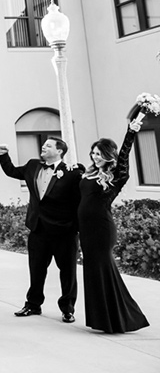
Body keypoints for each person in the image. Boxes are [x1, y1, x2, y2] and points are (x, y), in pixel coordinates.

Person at [0, 137, 83, 323]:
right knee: (36, 269)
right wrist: (4, 155)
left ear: (60, 151)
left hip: (64, 231)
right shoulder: (33, 166)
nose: (43, 147)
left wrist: (76, 228)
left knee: (68, 272)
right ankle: (33, 304)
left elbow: (78, 201)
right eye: (43, 145)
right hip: (38, 229)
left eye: (49, 145)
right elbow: (12, 171)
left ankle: (67, 308)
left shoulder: (71, 172)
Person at [78, 121, 149, 333]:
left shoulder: (115, 176)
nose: (94, 156)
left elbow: (124, 157)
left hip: (101, 229)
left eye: (99, 153)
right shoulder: (88, 174)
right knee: (92, 272)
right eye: (93, 153)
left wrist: (131, 133)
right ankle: (101, 320)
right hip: (86, 230)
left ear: (109, 155)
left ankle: (122, 319)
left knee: (104, 270)